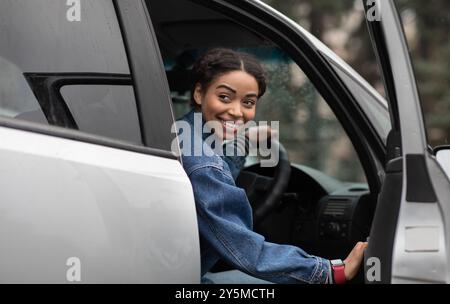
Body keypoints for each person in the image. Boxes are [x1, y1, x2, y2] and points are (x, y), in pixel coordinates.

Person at [176, 48, 368, 284]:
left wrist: (245, 141)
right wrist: (328, 271)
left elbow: (216, 170)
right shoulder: (204, 164)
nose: (237, 112)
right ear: (198, 93)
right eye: (224, 97)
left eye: (248, 102)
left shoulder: (183, 134)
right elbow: (244, 250)